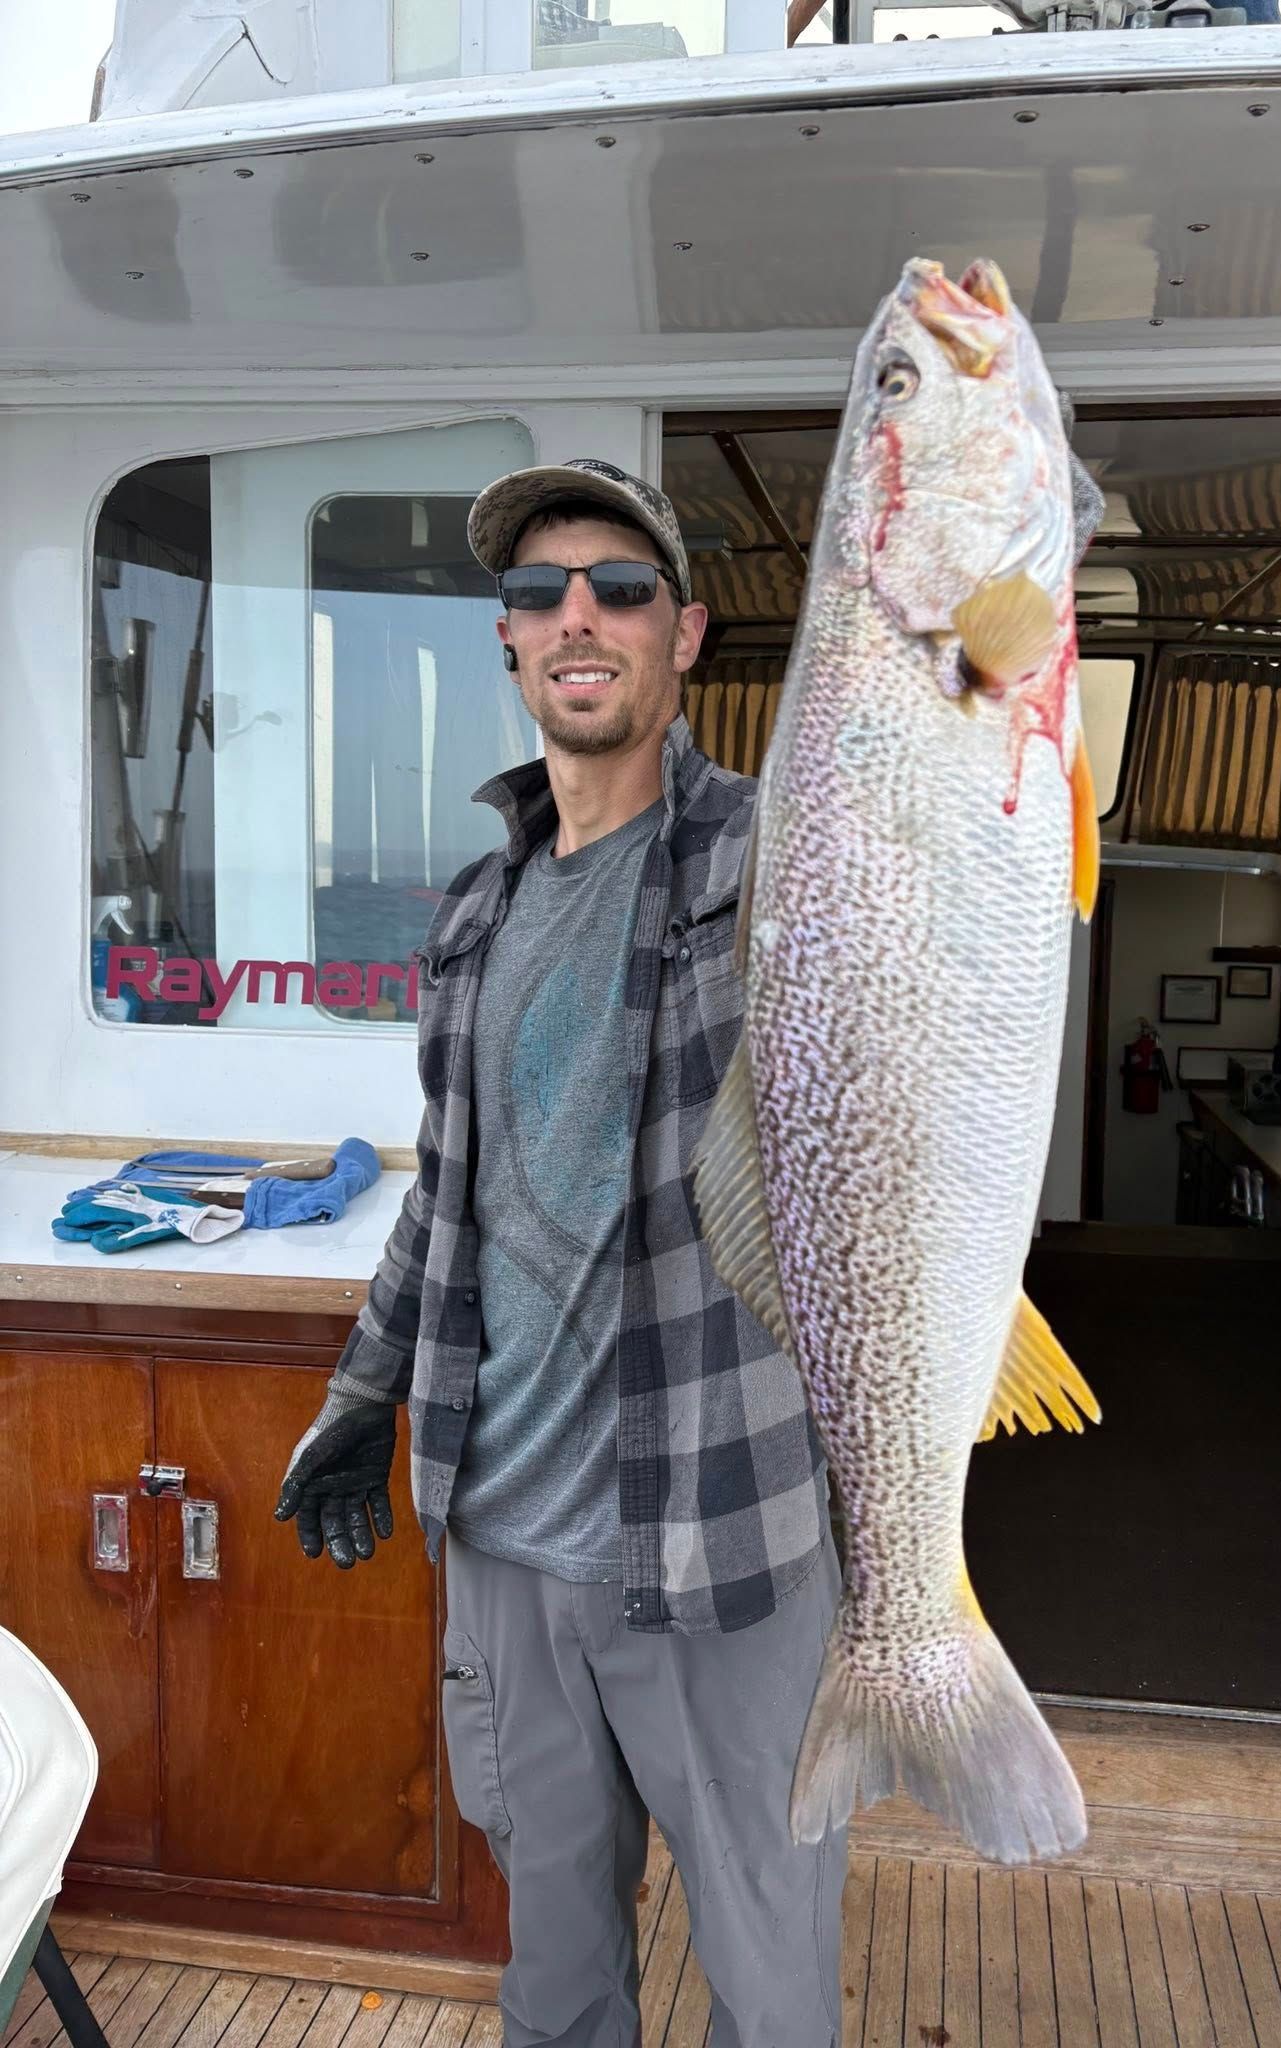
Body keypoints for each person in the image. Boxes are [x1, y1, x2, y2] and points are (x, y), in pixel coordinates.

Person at [274, 458, 844, 2048]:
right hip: (504, 1538)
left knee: (775, 1993)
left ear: (686, 637)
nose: (575, 613)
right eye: (537, 593)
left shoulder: (776, 868)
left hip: (720, 1545)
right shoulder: (471, 908)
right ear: (509, 647)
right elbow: (444, 1194)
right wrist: (363, 1395)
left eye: (619, 586)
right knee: (557, 1983)